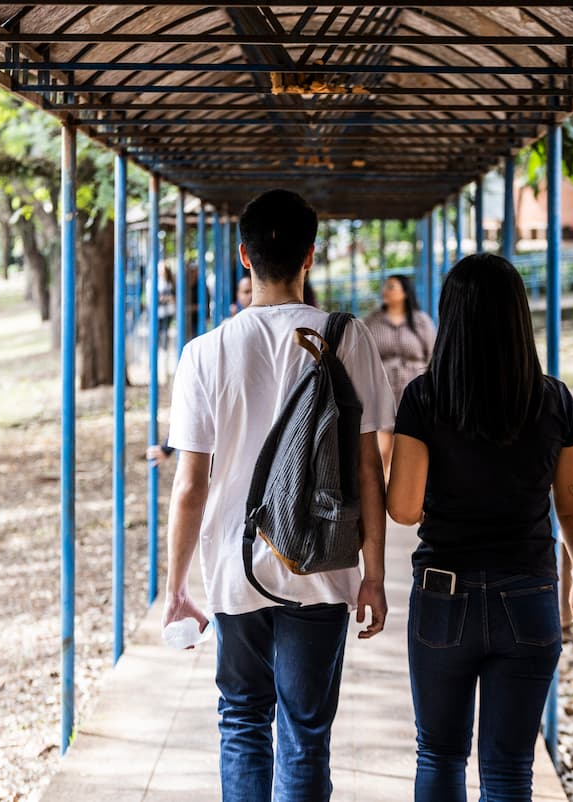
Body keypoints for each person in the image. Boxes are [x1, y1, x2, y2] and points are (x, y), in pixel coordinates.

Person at [163, 189, 393, 802]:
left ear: (243, 256)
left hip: (236, 568)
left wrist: (177, 588)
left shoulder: (203, 353)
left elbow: (190, 485)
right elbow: (370, 469)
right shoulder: (349, 339)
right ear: (309, 257)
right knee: (306, 734)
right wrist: (375, 574)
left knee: (242, 720)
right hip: (323, 562)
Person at [386, 253, 573, 802]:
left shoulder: (425, 397)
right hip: (528, 594)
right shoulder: (552, 398)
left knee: (439, 753)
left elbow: (406, 509)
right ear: (518, 315)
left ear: (450, 316)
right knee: (509, 769)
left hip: (443, 592)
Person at [363, 274, 436, 473]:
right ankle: (383, 496)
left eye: (391, 287)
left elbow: (432, 357)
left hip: (413, 394)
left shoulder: (421, 321)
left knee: (410, 449)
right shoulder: (372, 321)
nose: (385, 291)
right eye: (385, 287)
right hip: (383, 393)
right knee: (382, 450)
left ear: (404, 292)